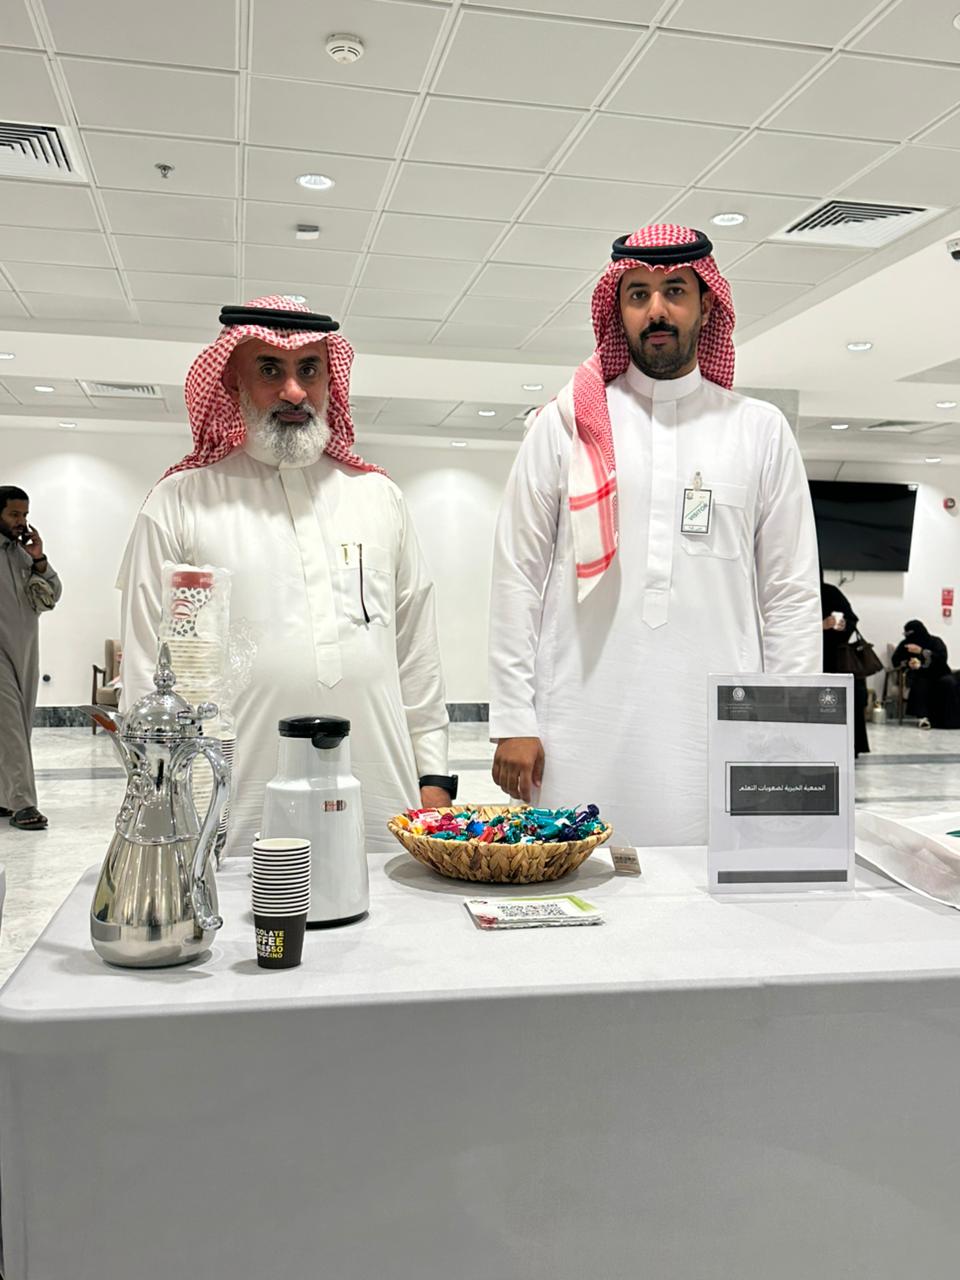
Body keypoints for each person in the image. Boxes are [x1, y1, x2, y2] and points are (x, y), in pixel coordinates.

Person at [488, 225, 821, 846]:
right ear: (618, 310)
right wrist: (513, 716)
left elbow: (791, 593)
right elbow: (517, 576)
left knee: (707, 888)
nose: (657, 310)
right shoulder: (566, 424)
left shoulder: (758, 430)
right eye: (638, 294)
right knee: (575, 884)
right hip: (577, 724)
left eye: (675, 291)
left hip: (717, 727)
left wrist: (792, 728)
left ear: (706, 306)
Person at [118, 297, 454, 854]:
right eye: (270, 369)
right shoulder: (180, 502)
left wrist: (435, 780)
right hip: (228, 817)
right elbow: (145, 674)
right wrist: (162, 808)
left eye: (309, 369)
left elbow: (418, 653)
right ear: (233, 381)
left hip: (387, 810)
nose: (295, 391)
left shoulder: (379, 497)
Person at [0, 486, 62, 831]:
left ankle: (3, 797)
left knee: (18, 725)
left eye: (24, 514)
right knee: (9, 725)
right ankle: (23, 804)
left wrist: (39, 559)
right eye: (14, 514)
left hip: (25, 651)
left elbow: (54, 594)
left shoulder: (23, 554)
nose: (21, 521)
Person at [820, 577, 869, 756]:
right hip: (808, 658)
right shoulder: (798, 592)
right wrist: (820, 626)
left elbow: (851, 619)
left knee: (845, 700)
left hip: (836, 660)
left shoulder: (830, 592)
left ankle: (849, 746)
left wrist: (843, 625)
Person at [892, 620, 960, 729]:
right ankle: (924, 718)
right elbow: (896, 661)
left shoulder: (935, 642)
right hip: (919, 675)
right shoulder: (905, 645)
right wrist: (908, 664)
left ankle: (951, 720)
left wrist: (921, 651)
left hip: (940, 673)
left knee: (949, 683)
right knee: (921, 684)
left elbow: (941, 658)